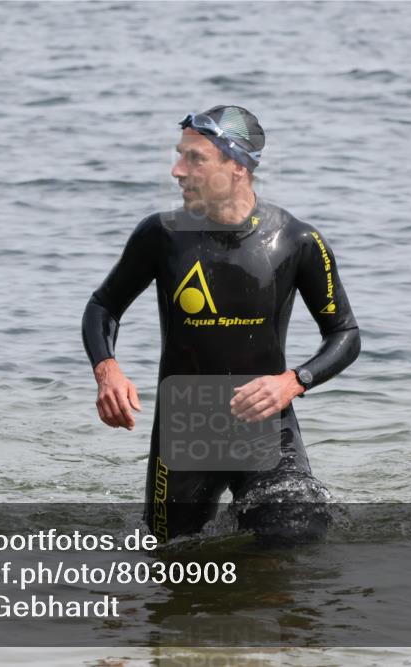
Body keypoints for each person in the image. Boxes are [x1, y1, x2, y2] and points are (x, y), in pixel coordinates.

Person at [82, 105, 360, 544]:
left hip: (266, 421)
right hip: (185, 425)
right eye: (179, 155)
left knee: (296, 535)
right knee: (171, 561)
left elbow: (345, 334)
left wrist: (293, 381)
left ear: (237, 168)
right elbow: (103, 306)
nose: (177, 170)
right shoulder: (161, 235)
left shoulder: (296, 240)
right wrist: (107, 370)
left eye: (195, 158)